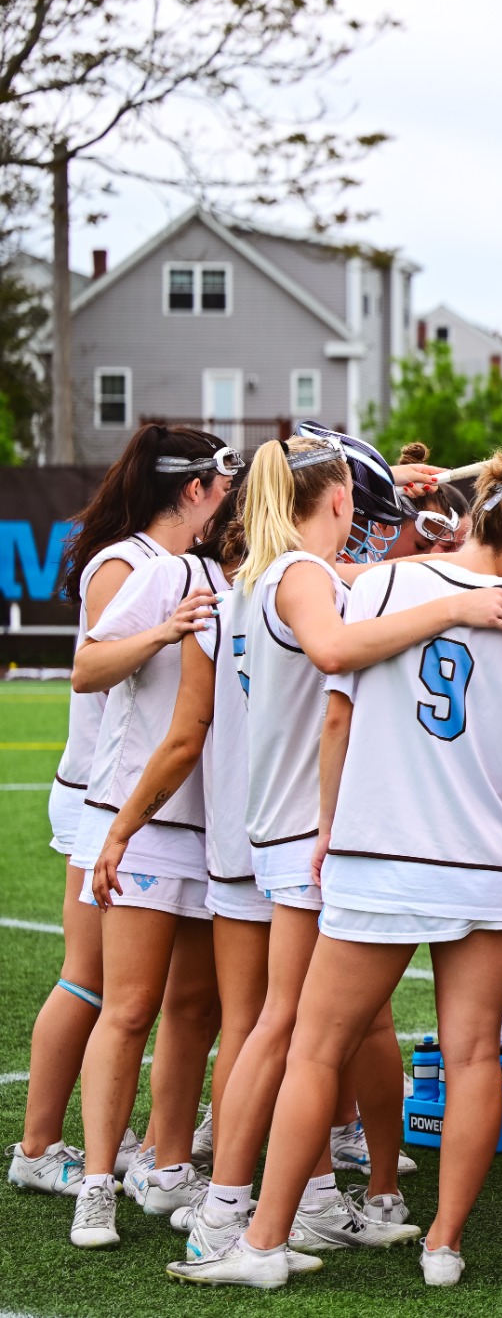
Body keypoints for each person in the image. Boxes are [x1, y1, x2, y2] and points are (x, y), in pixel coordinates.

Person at [176, 443, 502, 1290]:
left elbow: (339, 720)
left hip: (379, 849)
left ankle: (260, 1235)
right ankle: (441, 1244)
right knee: (469, 1056)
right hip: (487, 858)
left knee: (314, 1045)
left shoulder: (371, 585)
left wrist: (328, 826)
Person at [8, 425, 233, 1201]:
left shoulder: (182, 563)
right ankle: (40, 1145)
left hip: (145, 795)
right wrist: (165, 628)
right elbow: (94, 669)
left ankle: (151, 1151)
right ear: (194, 489)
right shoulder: (127, 562)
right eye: (223, 485)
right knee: (91, 981)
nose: (231, 500)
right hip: (103, 794)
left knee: (153, 994)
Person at [62, 451, 237, 1247]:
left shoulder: (269, 583)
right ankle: (97, 1182)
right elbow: (87, 667)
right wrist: (164, 630)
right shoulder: (166, 573)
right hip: (140, 819)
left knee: (195, 1008)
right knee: (129, 1006)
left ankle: (166, 1167)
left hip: (218, 829)